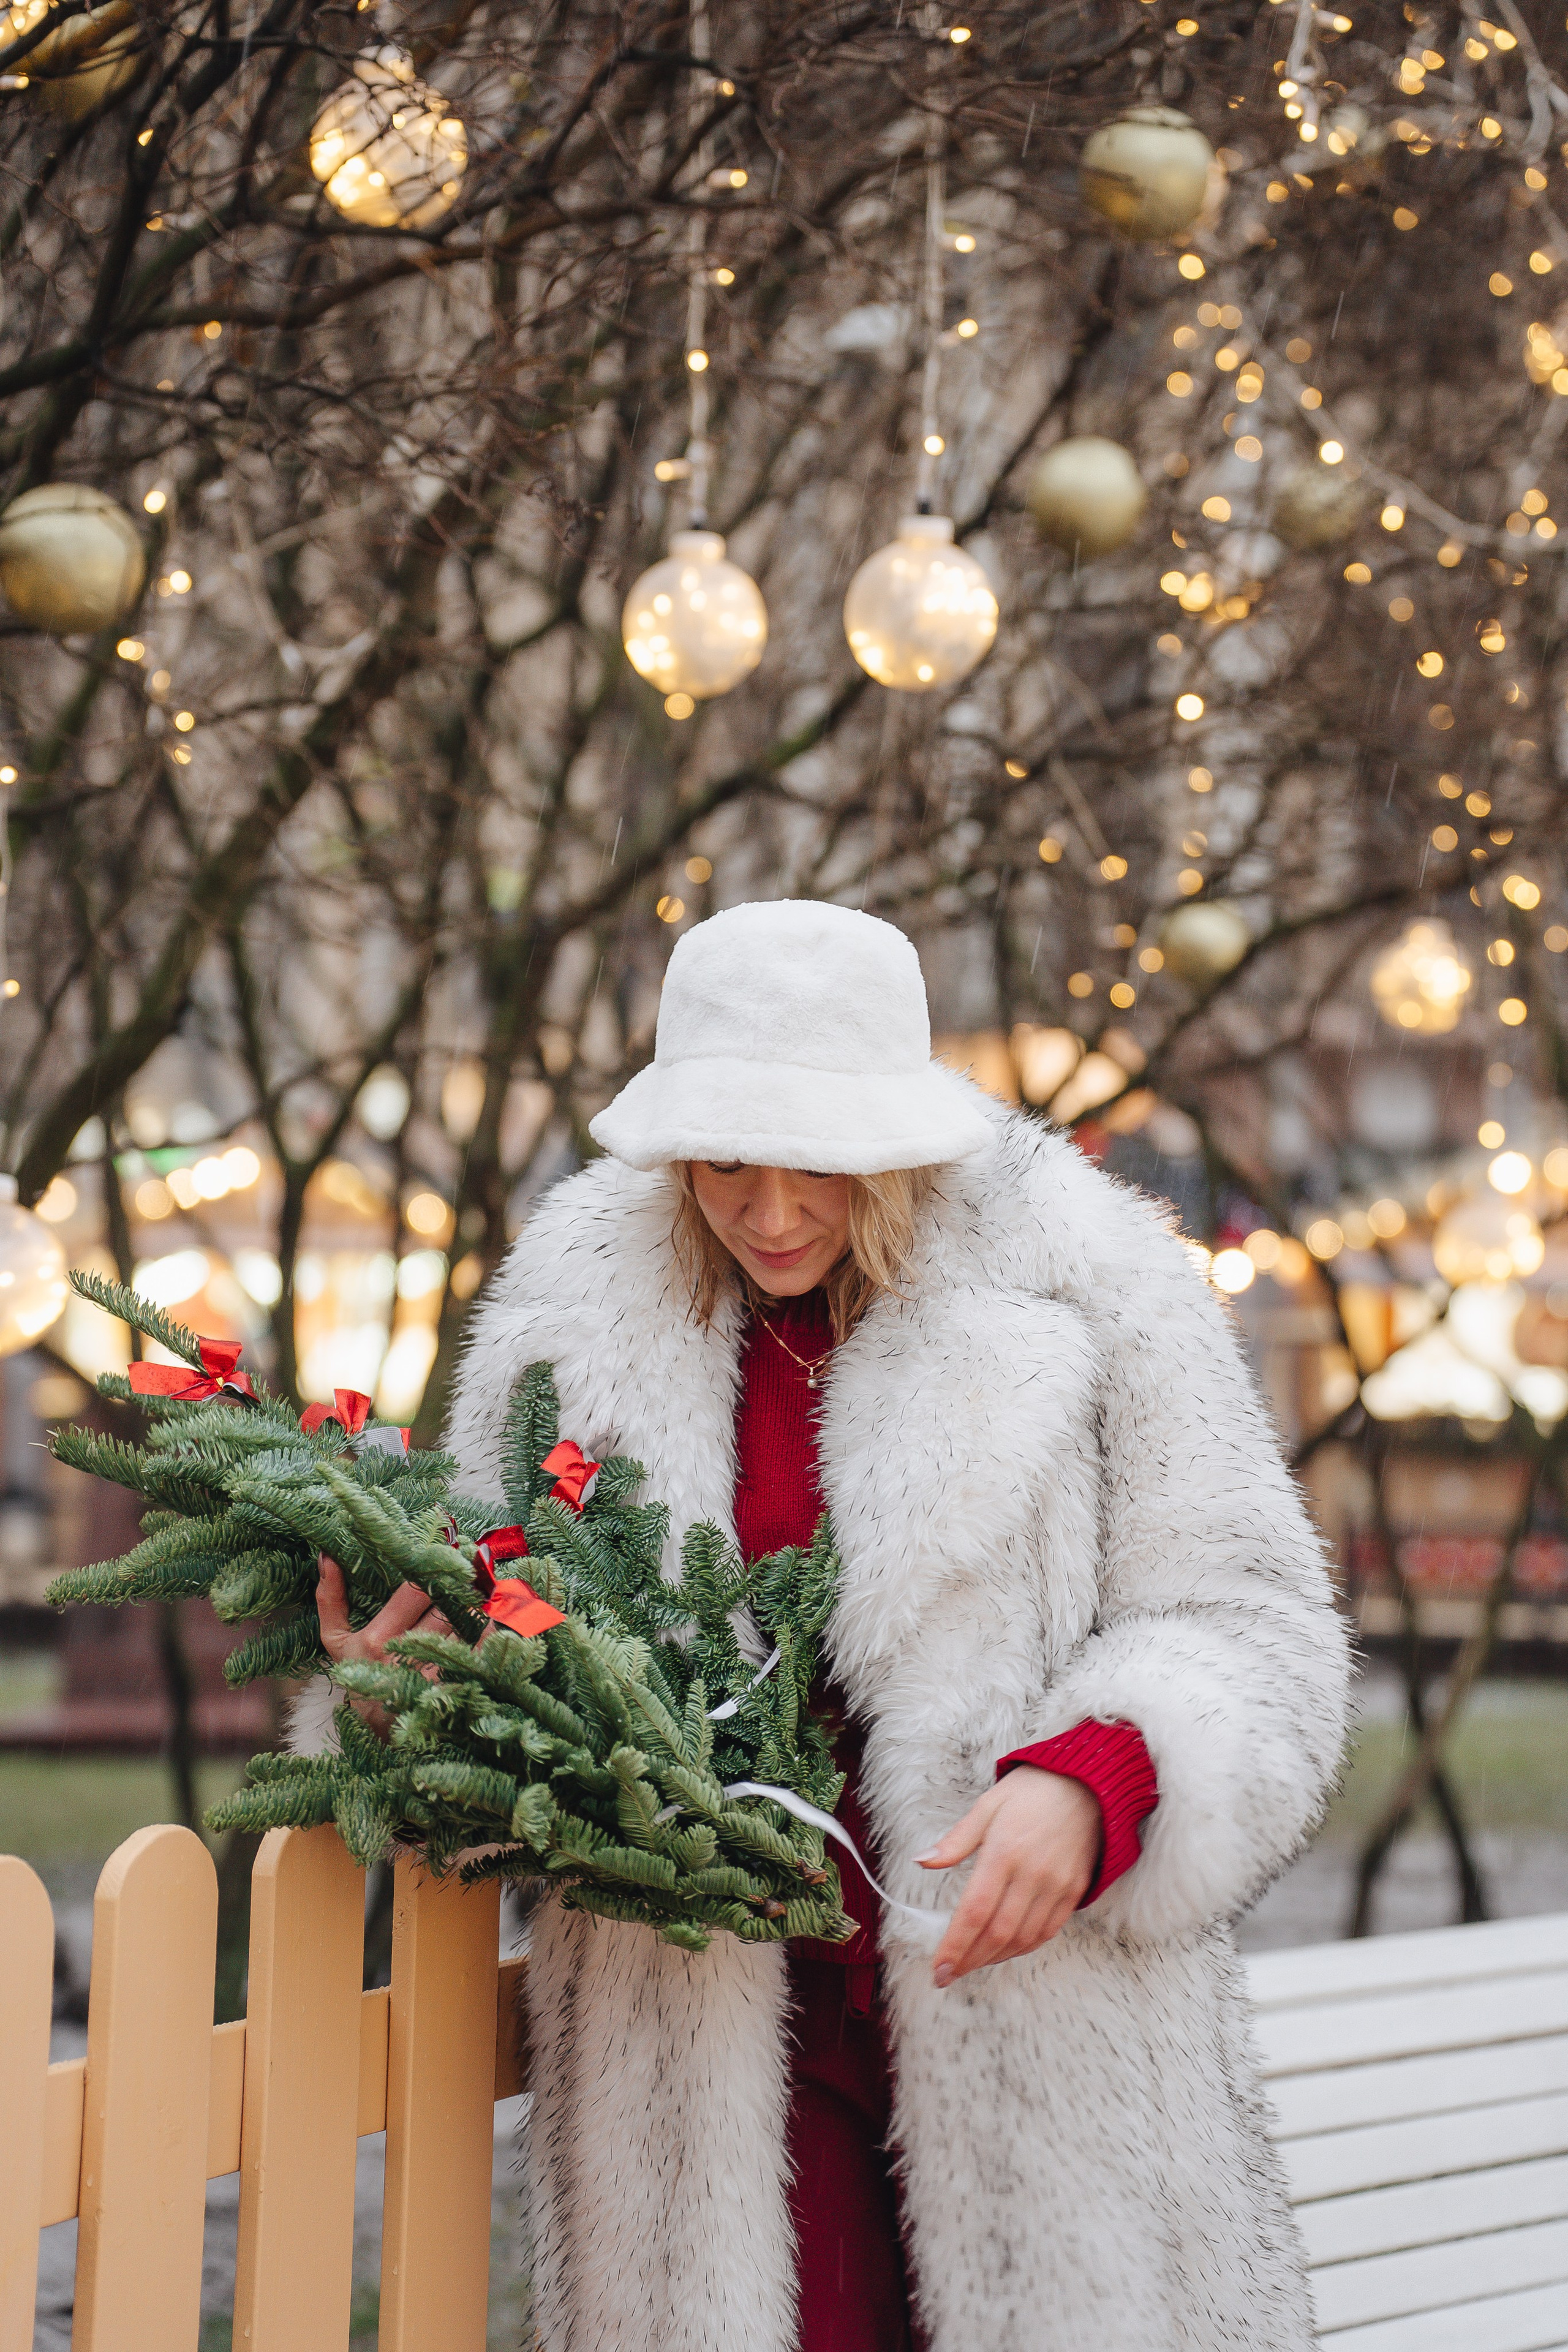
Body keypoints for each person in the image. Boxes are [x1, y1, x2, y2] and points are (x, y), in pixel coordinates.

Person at [314, 897, 1348, 2352]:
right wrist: (406, 1695)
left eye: (818, 1164)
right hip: (701, 2073)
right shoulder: (573, 1315)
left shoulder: (1087, 1275)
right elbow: (513, 1671)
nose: (772, 1211)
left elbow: (1254, 1618)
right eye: (725, 1160)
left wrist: (1101, 1772)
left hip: (1042, 2048)